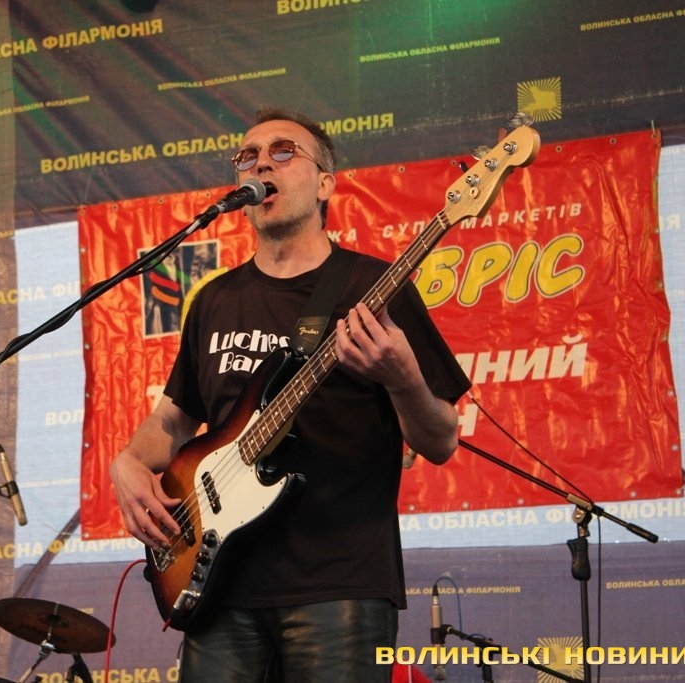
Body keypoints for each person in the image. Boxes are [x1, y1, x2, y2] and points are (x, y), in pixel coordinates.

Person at [109, 106, 471, 682]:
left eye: (283, 152)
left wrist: (402, 377)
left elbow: (442, 440)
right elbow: (173, 421)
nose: (260, 164)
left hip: (339, 587)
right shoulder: (215, 299)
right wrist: (127, 462)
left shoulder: (374, 288)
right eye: (247, 156)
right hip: (217, 586)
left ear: (325, 184)